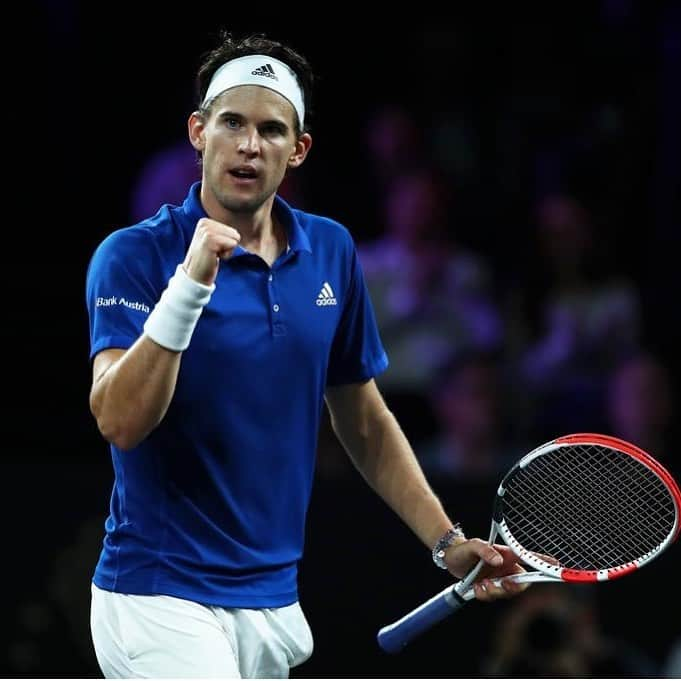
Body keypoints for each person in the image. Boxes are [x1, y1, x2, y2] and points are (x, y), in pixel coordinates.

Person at [84, 30, 527, 679]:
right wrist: (190, 285)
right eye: (231, 122)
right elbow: (119, 419)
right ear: (198, 131)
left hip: (271, 601)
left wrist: (447, 542)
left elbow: (363, 417)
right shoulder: (133, 255)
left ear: (297, 150)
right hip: (156, 596)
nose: (248, 143)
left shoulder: (331, 251)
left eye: (270, 129)